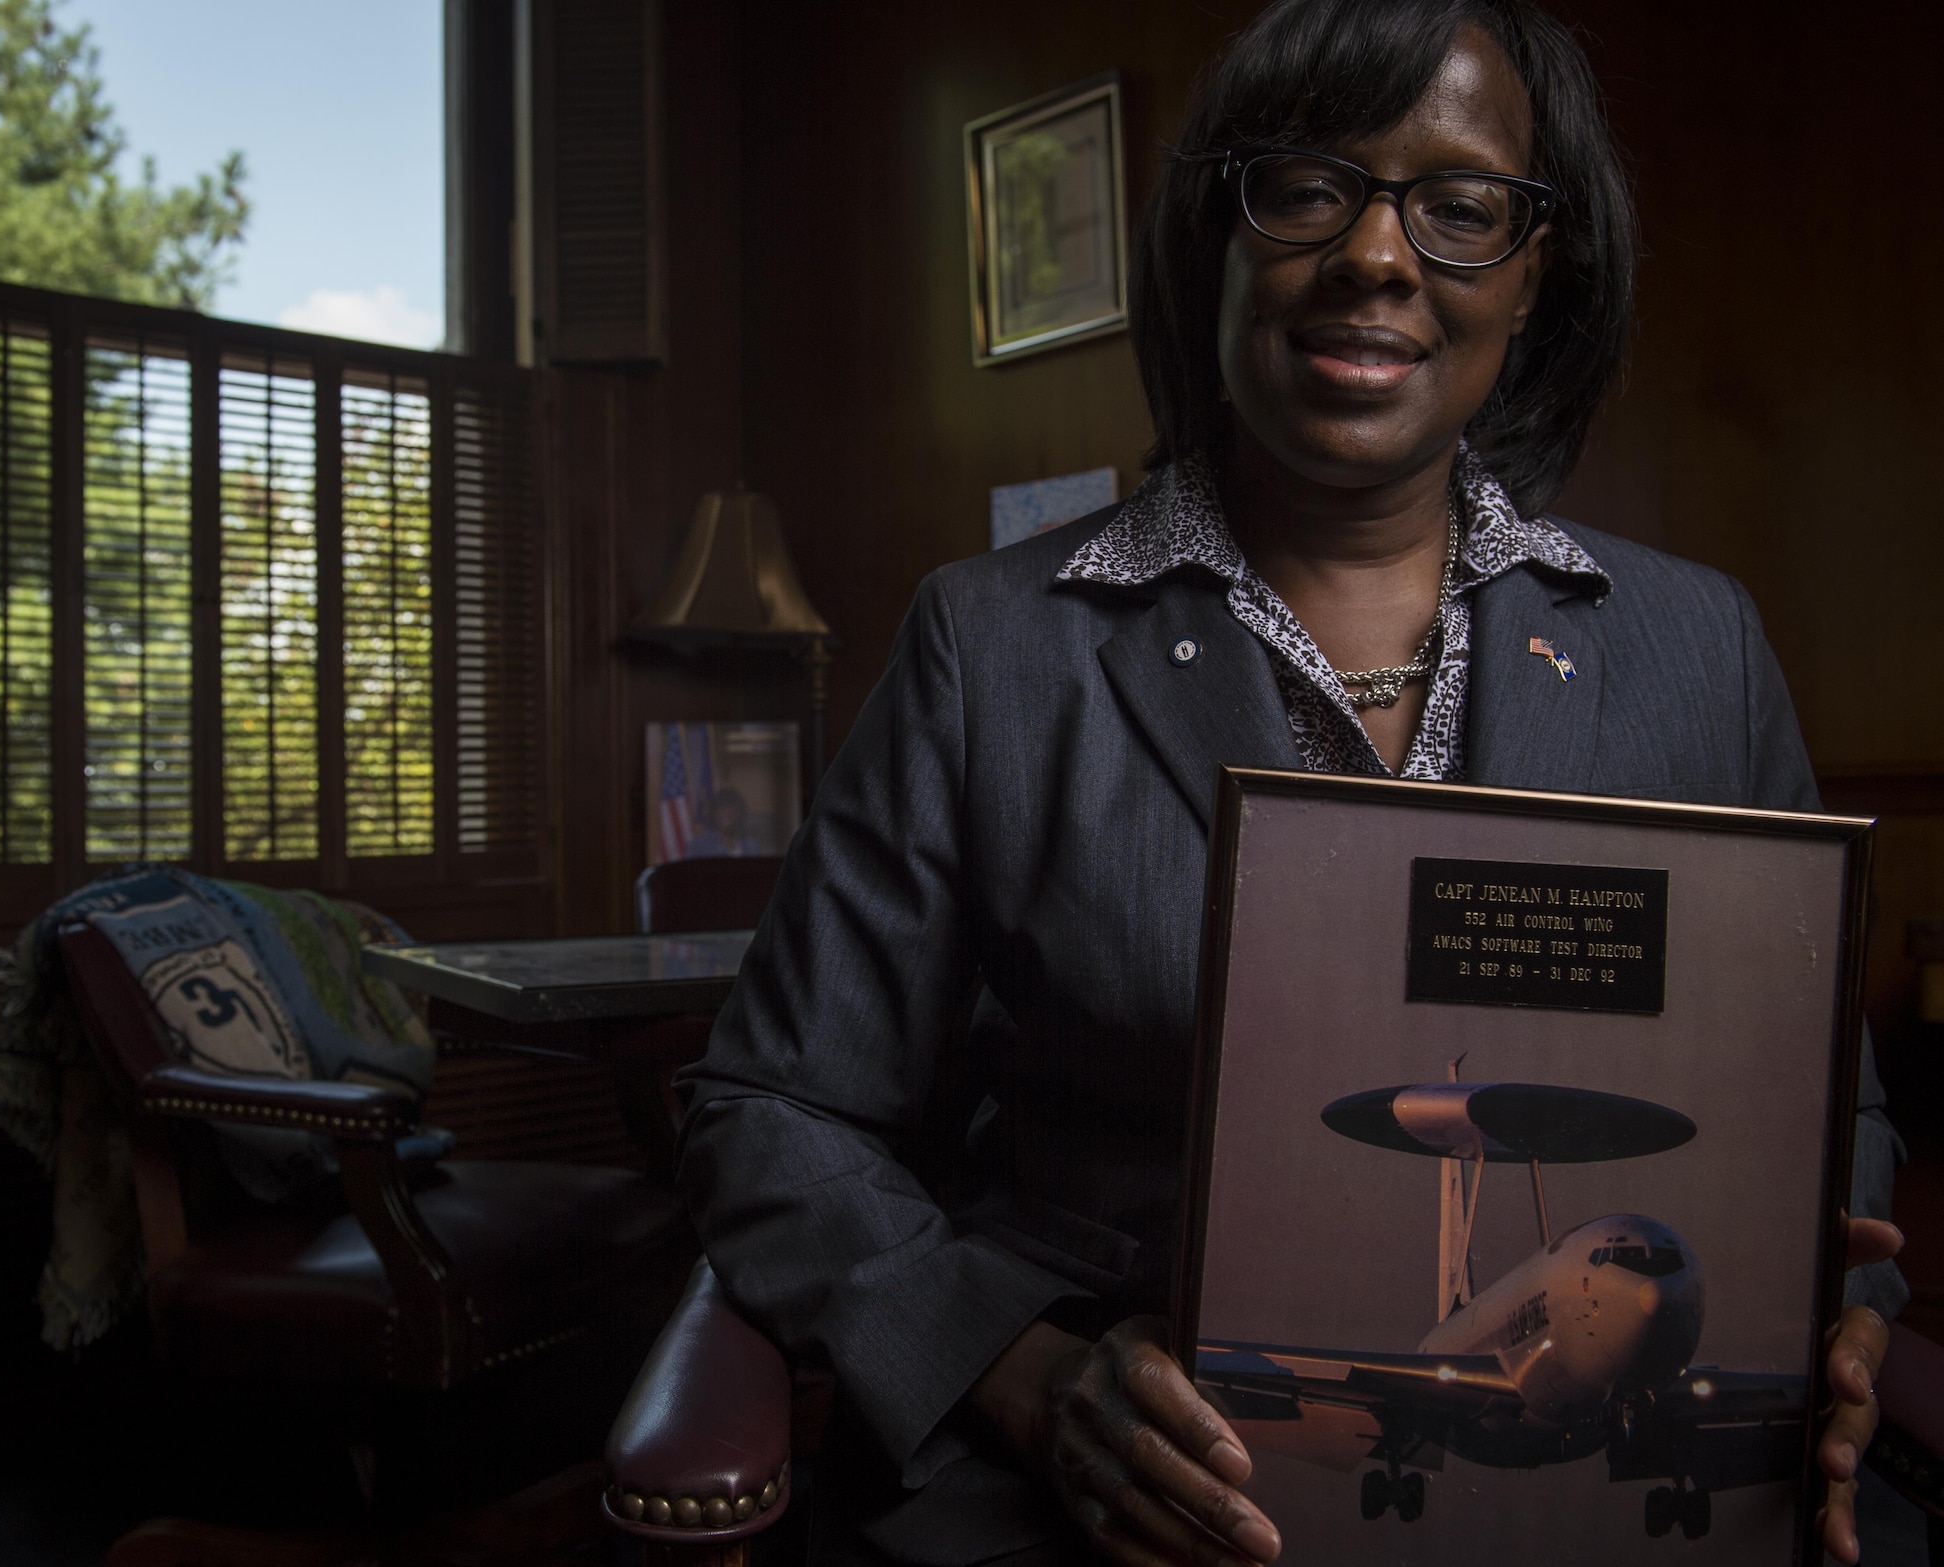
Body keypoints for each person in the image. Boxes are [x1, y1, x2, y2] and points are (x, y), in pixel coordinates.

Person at [677, 3, 1908, 1564]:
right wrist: (1023, 1372)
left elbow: (1828, 1109)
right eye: (1309, 185)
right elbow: (770, 1112)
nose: (1379, 258)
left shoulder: (1699, 651)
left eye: (1460, 208)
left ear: (1539, 280)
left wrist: (1835, 1308)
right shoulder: (990, 650)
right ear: (1217, 245)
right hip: (1118, 1511)